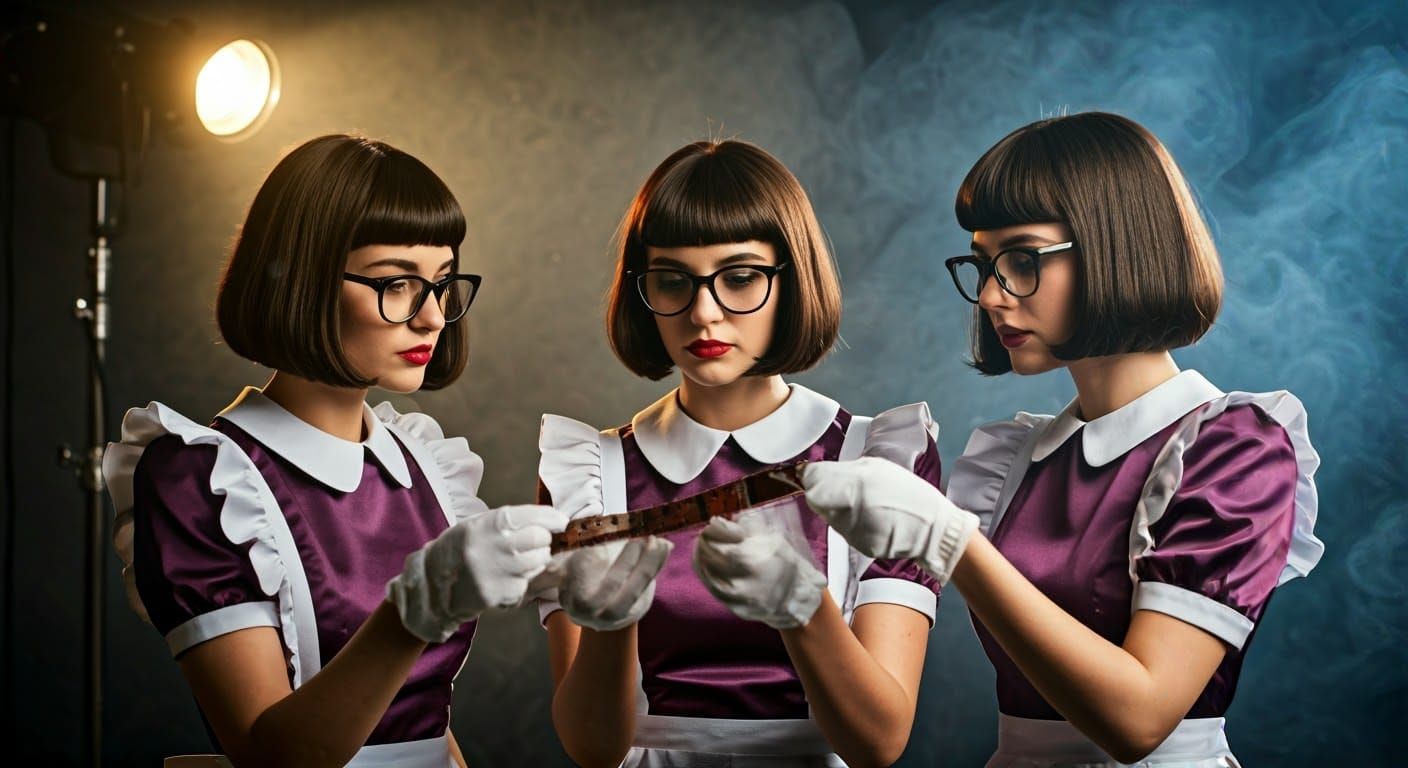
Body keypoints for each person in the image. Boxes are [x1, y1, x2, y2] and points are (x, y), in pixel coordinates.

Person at [801, 112, 1322, 767]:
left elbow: (1140, 720)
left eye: (1021, 260)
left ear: (1117, 246)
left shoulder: (1232, 452)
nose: (990, 296)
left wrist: (949, 542)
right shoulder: (1018, 460)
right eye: (984, 265)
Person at [102, 134, 567, 768]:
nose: (432, 317)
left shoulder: (423, 462)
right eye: (397, 283)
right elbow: (271, 755)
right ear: (303, 278)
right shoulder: (203, 479)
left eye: (443, 282)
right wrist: (412, 614)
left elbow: (422, 717)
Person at [536, 139, 945, 768]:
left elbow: (879, 743)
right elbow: (591, 749)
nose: (703, 313)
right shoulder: (587, 474)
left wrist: (804, 612)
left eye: (741, 277)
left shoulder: (878, 461)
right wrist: (612, 627)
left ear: (792, 280)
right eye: (672, 280)